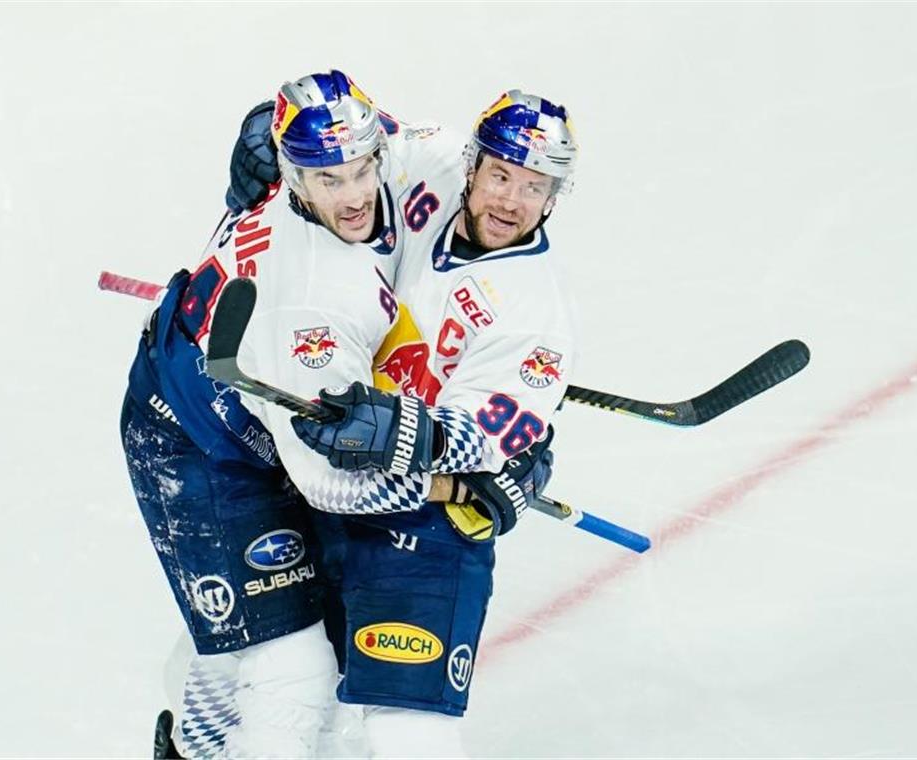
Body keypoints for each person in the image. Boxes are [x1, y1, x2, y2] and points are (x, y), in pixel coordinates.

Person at [122, 71, 551, 759]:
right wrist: (460, 482)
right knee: (292, 671)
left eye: (359, 172)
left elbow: (339, 120)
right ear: (293, 178)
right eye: (327, 180)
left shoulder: (380, 151)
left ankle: (194, 741)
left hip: (259, 407)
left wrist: (504, 426)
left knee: (280, 624)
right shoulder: (315, 301)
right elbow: (330, 486)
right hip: (196, 438)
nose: (352, 197)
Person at [234, 89, 580, 756]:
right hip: (331, 474)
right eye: (502, 175)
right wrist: (261, 133)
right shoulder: (437, 161)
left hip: (423, 521)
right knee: (279, 679)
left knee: (407, 731)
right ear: (474, 165)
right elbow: (348, 131)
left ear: (553, 198)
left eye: (534, 187)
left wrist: (417, 437)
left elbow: (485, 437)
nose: (510, 200)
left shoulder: (540, 315)